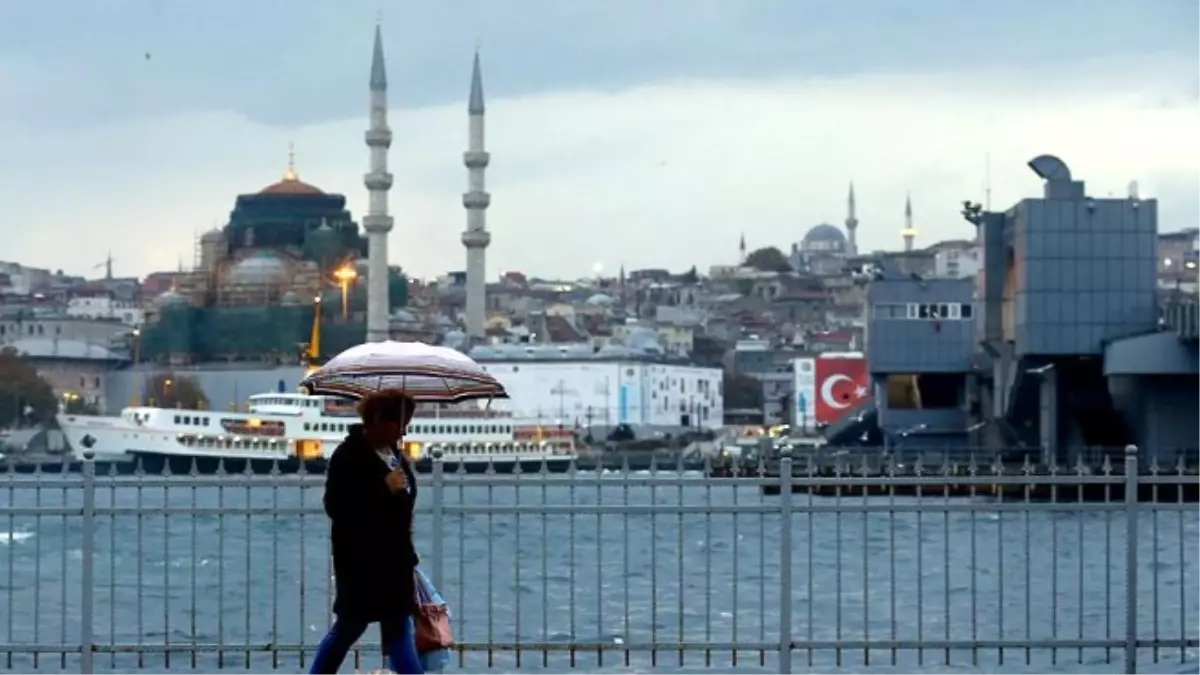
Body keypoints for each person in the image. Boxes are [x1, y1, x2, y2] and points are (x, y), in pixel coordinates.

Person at [310, 390, 423, 675]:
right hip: (362, 562)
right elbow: (337, 506)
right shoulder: (349, 456)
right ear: (377, 419)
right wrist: (382, 488)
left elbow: (402, 502)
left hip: (394, 560)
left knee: (397, 627)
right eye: (399, 423)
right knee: (350, 627)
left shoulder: (393, 454)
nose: (403, 431)